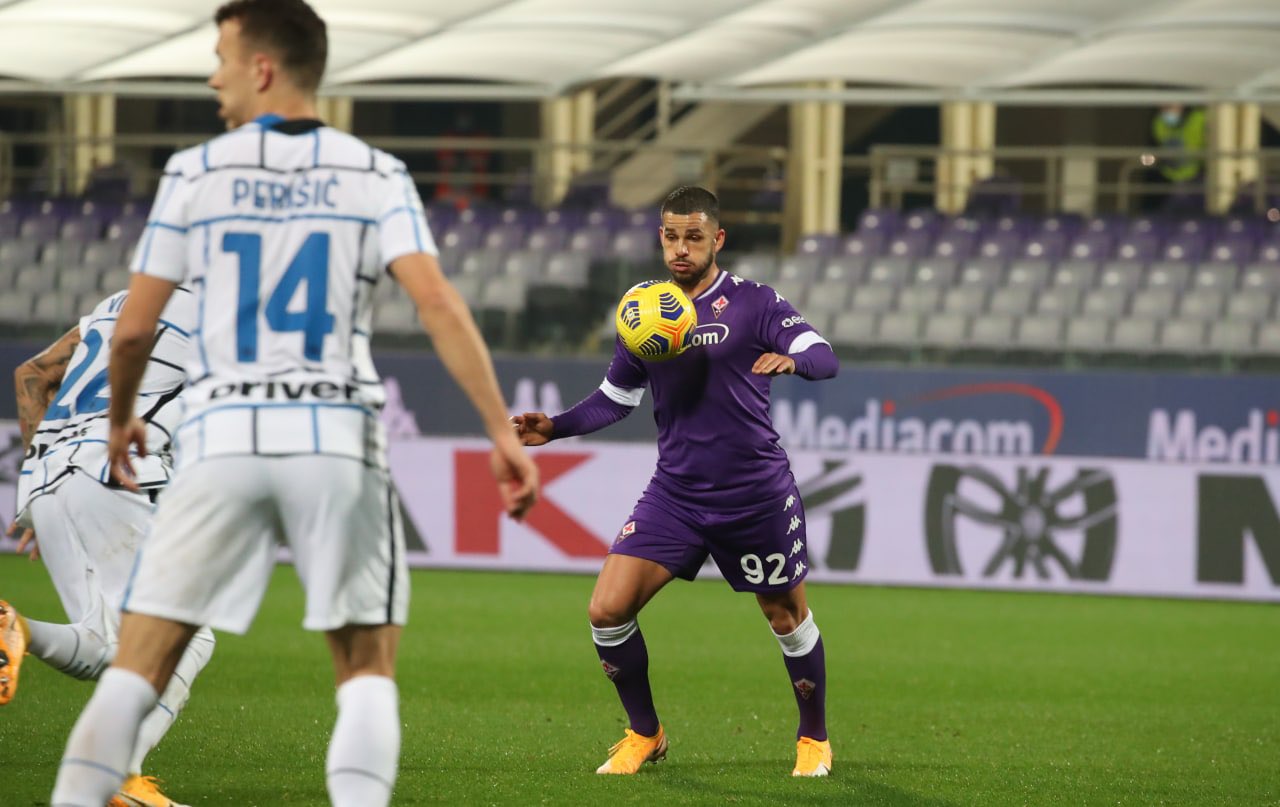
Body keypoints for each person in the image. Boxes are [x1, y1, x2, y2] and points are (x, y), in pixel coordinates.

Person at [50, 2, 539, 805]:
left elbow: (132, 329)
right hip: (336, 438)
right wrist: (499, 430)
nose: (214, 77)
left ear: (263, 67)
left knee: (137, 664)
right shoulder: (376, 172)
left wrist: (121, 416)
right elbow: (438, 303)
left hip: (220, 441)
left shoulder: (195, 172)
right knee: (365, 671)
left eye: (221, 58)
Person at [513, 186, 839, 777]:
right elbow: (616, 398)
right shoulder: (643, 310)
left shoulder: (755, 302)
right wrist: (556, 427)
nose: (680, 248)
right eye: (670, 236)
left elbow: (823, 353)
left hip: (753, 494)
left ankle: (813, 737)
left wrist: (794, 360)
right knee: (606, 610)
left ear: (718, 239)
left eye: (693, 236)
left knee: (786, 618)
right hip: (677, 495)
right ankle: (646, 732)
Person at [4, 288, 215, 807]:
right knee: (186, 635)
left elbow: (32, 375)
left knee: (107, 645)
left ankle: (17, 628)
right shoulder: (223, 304)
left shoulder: (120, 302)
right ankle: (121, 776)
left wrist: (44, 476)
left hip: (46, 477)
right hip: (117, 467)